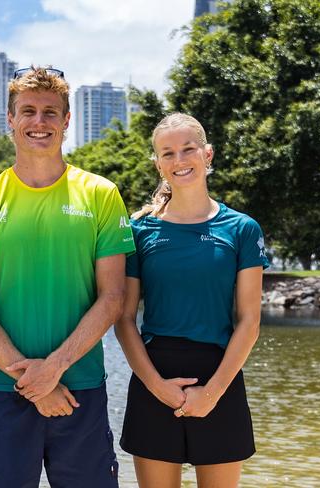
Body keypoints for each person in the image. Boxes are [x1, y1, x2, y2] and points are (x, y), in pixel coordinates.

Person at [0, 66, 135, 488]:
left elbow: (112, 297)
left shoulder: (101, 194)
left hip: (81, 389)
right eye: (28, 111)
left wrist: (55, 369)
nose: (39, 122)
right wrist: (33, 382)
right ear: (10, 120)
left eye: (51, 112)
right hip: (6, 391)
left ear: (67, 121)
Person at [115, 113, 269, 488]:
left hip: (221, 377)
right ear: (157, 163)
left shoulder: (242, 229)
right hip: (154, 376)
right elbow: (123, 319)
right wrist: (156, 385)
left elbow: (249, 322)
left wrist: (212, 393)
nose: (179, 160)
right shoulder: (139, 231)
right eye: (167, 153)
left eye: (188, 149)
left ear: (208, 154)